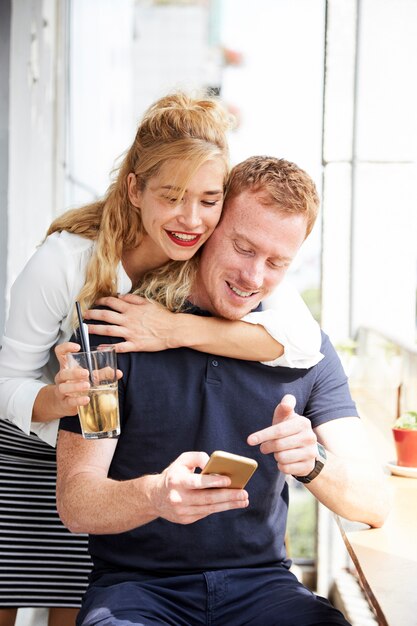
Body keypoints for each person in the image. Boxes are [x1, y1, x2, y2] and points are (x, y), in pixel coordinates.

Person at [0, 94, 321, 626]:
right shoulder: (63, 262)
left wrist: (174, 329)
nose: (191, 219)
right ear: (135, 189)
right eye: (171, 196)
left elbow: (303, 341)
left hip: (96, 451)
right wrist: (53, 398)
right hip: (27, 434)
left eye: (208, 200)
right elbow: (6, 376)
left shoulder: (209, 251)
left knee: (70, 600)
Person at [56, 156, 390, 626]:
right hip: (136, 594)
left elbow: (374, 502)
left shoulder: (304, 353)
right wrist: (155, 495)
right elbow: (76, 501)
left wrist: (314, 461)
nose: (254, 277)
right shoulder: (115, 334)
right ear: (209, 227)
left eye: (277, 262)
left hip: (264, 591)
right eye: (243, 247)